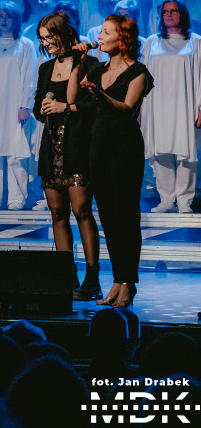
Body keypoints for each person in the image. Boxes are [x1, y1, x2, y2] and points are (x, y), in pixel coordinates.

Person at [77, 16, 154, 308]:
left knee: (126, 217)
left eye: (106, 32)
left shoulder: (138, 71)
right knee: (108, 216)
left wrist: (100, 95)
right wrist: (80, 60)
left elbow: (127, 108)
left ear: (122, 38)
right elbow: (75, 97)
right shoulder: (97, 68)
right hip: (98, 147)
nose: (100, 35)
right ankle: (117, 279)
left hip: (124, 148)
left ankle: (128, 282)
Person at [34, 12, 101, 300]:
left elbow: (93, 105)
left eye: (50, 36)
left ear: (63, 33)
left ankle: (92, 275)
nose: (46, 42)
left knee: (81, 210)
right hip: (51, 144)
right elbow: (38, 109)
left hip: (77, 143)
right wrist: (45, 107)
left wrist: (65, 107)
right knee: (57, 212)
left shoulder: (89, 63)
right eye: (42, 39)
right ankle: (65, 273)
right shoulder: (45, 68)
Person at [141, 0, 201, 213]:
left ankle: (184, 200)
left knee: (186, 152)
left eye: (173, 10)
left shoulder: (195, 41)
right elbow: (143, 77)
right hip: (156, 104)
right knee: (161, 150)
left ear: (182, 13)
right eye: (165, 11)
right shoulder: (152, 42)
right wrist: (139, 106)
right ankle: (166, 199)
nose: (168, 14)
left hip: (185, 104)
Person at [0, 2, 36, 210]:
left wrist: (25, 105)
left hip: (15, 106)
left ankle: (16, 198)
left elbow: (30, 77)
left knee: (15, 152)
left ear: (16, 18)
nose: (3, 20)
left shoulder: (25, 44)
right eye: (0, 16)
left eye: (8, 16)